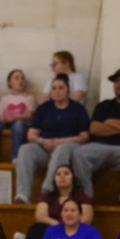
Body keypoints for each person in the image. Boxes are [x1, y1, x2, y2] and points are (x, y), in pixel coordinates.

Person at [14, 73, 90, 204]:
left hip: (69, 148)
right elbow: (31, 134)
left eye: (60, 88)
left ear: (68, 90)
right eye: (54, 88)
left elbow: (84, 136)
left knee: (62, 148)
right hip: (45, 147)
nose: (57, 91)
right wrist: (43, 141)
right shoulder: (44, 108)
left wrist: (59, 141)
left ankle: (47, 191)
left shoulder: (78, 109)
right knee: (26, 149)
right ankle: (23, 194)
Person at [72, 69, 120, 207]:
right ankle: (85, 196)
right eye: (117, 81)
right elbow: (94, 128)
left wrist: (108, 123)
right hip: (100, 147)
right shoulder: (104, 105)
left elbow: (103, 126)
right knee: (79, 153)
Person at [21, 164, 93, 239]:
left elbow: (86, 218)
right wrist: (58, 226)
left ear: (73, 178)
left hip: (74, 230)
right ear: (54, 179)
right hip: (52, 229)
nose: (62, 176)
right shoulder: (48, 196)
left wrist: (68, 227)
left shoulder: (81, 197)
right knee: (37, 228)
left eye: (66, 173)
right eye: (58, 174)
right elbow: (40, 216)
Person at [0, 68, 35, 163]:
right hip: (5, 122)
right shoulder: (5, 98)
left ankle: (16, 156)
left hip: (21, 123)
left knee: (18, 125)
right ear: (10, 83)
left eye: (22, 78)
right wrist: (3, 118)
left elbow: (29, 115)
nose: (20, 80)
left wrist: (15, 117)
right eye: (16, 78)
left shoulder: (29, 97)